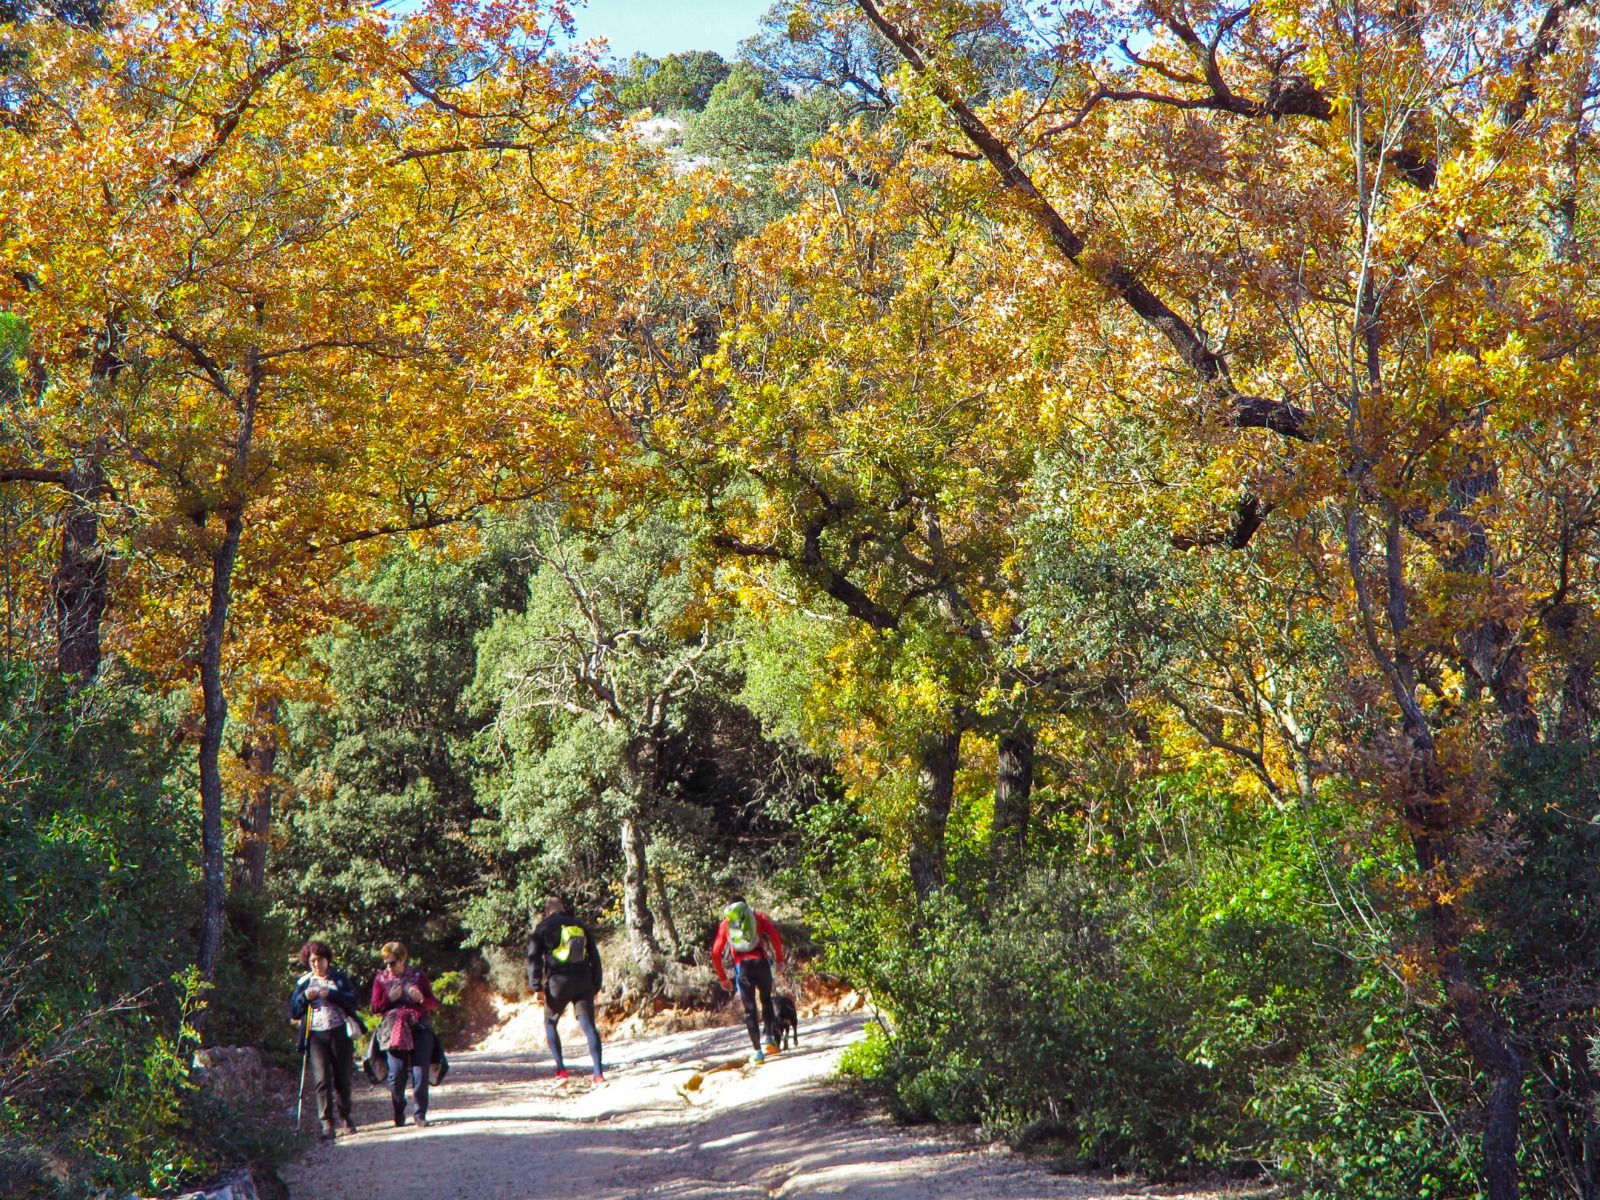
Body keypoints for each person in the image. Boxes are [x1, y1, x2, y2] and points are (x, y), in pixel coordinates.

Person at [527, 895, 606, 1083]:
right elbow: (595, 956)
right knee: (589, 1027)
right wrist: (596, 983)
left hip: (558, 983)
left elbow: (534, 958)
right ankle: (598, 1074)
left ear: (547, 911)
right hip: (583, 979)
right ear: (563, 908)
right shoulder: (579, 925)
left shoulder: (542, 928)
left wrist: (536, 986)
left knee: (550, 1022)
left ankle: (561, 1070)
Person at [288, 940, 361, 1140]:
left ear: (327, 959)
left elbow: (354, 1000)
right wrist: (304, 997)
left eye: (319, 960)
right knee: (321, 1080)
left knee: (342, 1078)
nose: (316, 965)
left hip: (339, 1032)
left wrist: (332, 994)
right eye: (312, 961)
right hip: (315, 1036)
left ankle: (345, 1117)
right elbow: (293, 1011)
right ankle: (326, 1123)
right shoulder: (304, 983)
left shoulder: (338, 979)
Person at [370, 941, 440, 1128]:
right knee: (397, 1074)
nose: (388, 967)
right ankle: (399, 1108)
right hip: (394, 1029)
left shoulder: (418, 977)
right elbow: (375, 1008)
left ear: (403, 960)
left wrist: (421, 999)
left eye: (392, 963)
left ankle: (420, 1114)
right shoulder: (381, 979)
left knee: (420, 1072)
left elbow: (434, 1003)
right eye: (385, 963)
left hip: (419, 1027)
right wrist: (389, 999)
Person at [711, 898, 785, 1063]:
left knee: (750, 1010)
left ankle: (758, 1053)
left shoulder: (726, 924)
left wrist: (723, 978)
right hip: (762, 963)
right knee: (766, 1001)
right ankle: (769, 1040)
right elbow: (774, 935)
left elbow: (715, 953)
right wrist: (780, 959)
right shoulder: (758, 917)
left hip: (743, 968)